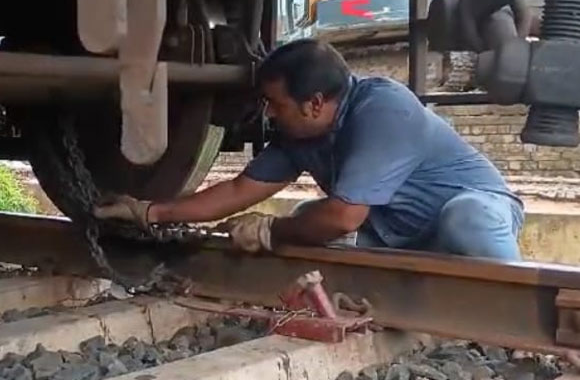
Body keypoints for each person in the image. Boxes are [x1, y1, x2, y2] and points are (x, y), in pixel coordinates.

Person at [94, 39, 525, 260]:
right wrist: (148, 211)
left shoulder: (384, 109)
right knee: (306, 224)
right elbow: (238, 191)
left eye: (275, 104)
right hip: (402, 235)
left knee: (463, 218)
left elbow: (343, 217)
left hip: (482, 212)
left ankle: (519, 304)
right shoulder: (301, 134)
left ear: (314, 103)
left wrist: (269, 231)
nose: (268, 114)